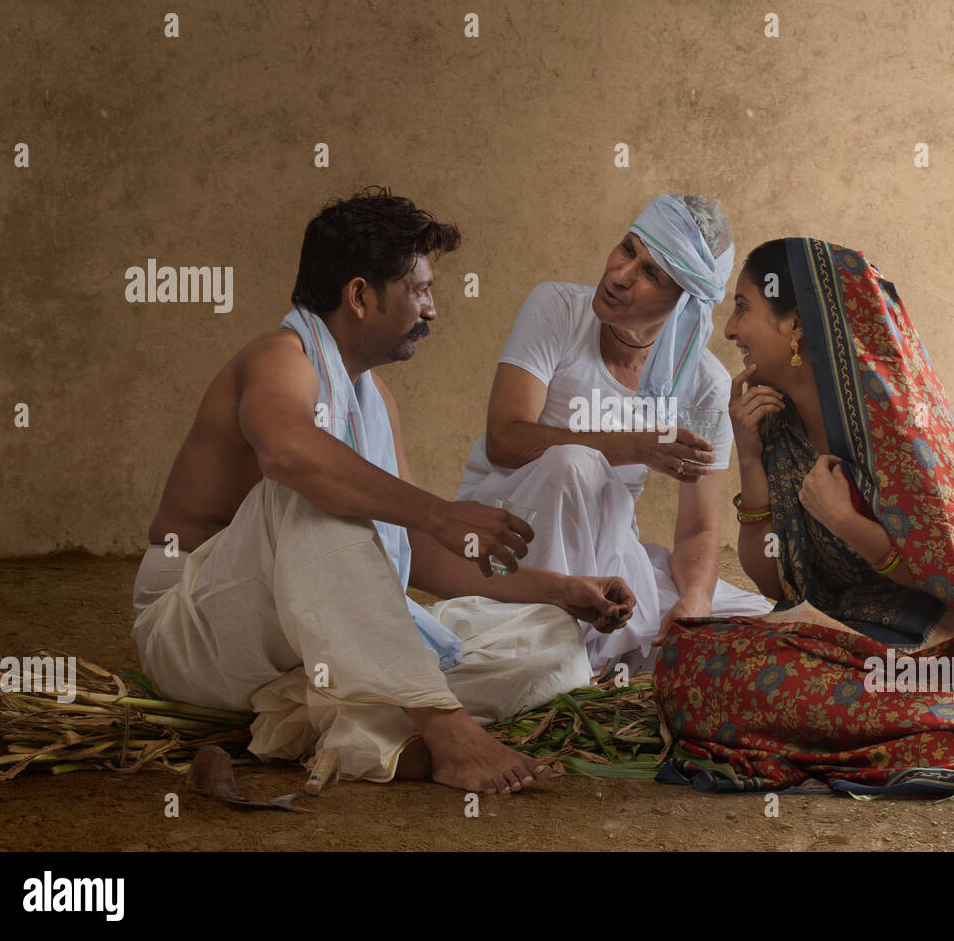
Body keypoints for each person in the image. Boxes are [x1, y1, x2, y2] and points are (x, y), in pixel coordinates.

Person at [130, 187, 636, 794]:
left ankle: (340, 720)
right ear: (361, 296)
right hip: (197, 629)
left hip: (300, 637)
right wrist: (442, 513)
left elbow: (417, 547)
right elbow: (290, 455)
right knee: (305, 492)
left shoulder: (374, 398)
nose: (432, 310)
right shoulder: (279, 359)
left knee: (552, 643)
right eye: (420, 290)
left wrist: (560, 590)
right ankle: (441, 728)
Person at [653, 238, 954, 795]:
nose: (729, 330)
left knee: (751, 681)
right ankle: (890, 725)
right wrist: (750, 457)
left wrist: (844, 520)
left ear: (796, 324)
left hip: (934, 649)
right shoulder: (777, 425)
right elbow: (771, 580)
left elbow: (947, 569)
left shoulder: (898, 428)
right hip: (842, 638)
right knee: (689, 655)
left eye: (744, 307)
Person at [454, 194, 773, 672]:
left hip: (604, 544)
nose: (620, 274)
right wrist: (635, 447)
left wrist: (694, 603)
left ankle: (592, 632)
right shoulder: (557, 308)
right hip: (504, 529)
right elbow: (504, 440)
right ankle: (558, 636)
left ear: (684, 302)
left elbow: (699, 528)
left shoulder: (704, 384)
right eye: (628, 249)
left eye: (652, 274)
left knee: (760, 627)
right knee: (574, 464)